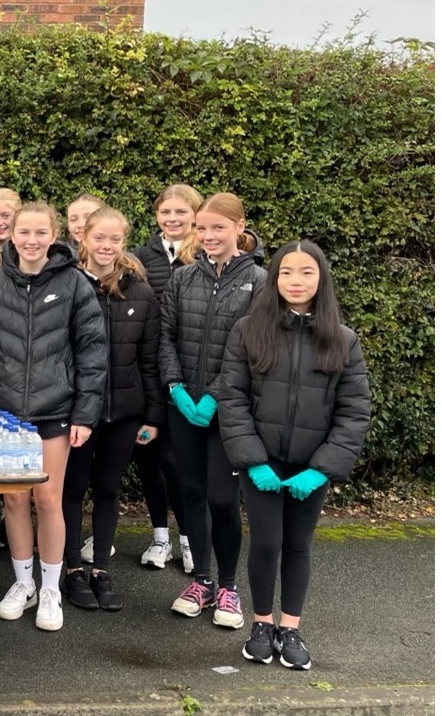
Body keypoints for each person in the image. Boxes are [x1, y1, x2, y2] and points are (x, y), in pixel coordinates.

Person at [215, 240, 370, 671]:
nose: (295, 281)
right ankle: (261, 625)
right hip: (260, 462)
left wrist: (321, 469)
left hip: (310, 467)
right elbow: (233, 400)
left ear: (321, 279)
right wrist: (252, 459)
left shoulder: (343, 340)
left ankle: (290, 627)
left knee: (298, 545)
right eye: (286, 272)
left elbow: (353, 412)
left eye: (306, 272)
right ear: (274, 277)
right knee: (266, 542)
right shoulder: (248, 330)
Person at [0, 201, 106, 632]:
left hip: (56, 410)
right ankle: (23, 583)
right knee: (13, 498)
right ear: (11, 235)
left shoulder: (74, 285)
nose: (31, 240)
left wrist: (85, 412)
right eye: (23, 232)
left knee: (48, 499)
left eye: (39, 233)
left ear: (54, 235)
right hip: (5, 413)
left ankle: (50, 589)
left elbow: (92, 353)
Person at [161, 192, 265, 629]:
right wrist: (177, 389)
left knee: (223, 500)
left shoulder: (259, 281)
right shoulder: (183, 278)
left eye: (217, 228)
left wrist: (216, 395)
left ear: (240, 228)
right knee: (191, 495)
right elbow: (164, 337)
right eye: (202, 228)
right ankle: (199, 581)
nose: (207, 236)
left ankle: (227, 586)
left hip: (231, 412)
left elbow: (254, 349)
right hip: (183, 407)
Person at [59, 207, 162, 613]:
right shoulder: (67, 283)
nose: (106, 246)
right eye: (98, 238)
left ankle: (100, 567)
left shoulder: (140, 291)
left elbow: (149, 358)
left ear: (123, 242)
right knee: (72, 488)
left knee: (108, 488)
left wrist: (154, 416)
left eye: (114, 239)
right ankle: (70, 568)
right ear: (82, 237)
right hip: (78, 409)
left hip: (124, 410)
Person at [132, 184, 204, 572]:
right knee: (150, 460)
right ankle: (160, 537)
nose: (173, 219)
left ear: (195, 215)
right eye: (166, 212)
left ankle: (190, 539)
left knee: (180, 463)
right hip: (148, 373)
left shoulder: (205, 257)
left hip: (188, 375)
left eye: (181, 212)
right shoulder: (141, 257)